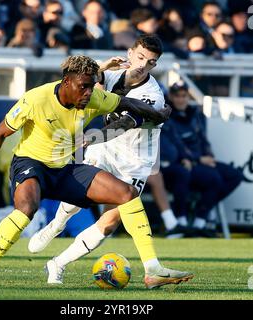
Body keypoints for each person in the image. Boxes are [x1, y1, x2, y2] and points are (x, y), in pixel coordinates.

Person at [0, 55, 185, 288]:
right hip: (31, 164)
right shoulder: (36, 98)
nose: (88, 93)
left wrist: (158, 115)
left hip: (64, 168)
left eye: (92, 86)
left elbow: (129, 104)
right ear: (66, 82)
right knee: (26, 209)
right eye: (83, 87)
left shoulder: (94, 97)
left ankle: (152, 269)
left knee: (127, 194)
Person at [28, 35, 194, 288]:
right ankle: (57, 225)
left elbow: (127, 123)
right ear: (129, 53)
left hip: (135, 161)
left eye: (150, 62)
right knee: (78, 195)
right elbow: (74, 76)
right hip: (106, 150)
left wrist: (93, 137)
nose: (142, 65)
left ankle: (57, 263)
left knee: (110, 222)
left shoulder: (153, 95)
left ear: (154, 65)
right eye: (139, 57)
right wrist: (102, 67)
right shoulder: (114, 75)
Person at [151, 80, 243, 237]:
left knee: (233, 175)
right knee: (204, 176)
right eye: (177, 96)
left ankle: (201, 218)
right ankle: (182, 222)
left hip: (197, 161)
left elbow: (203, 139)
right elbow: (173, 145)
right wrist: (196, 159)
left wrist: (209, 156)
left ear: (188, 97)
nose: (181, 99)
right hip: (180, 163)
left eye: (184, 96)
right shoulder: (165, 116)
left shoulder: (196, 115)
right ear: (170, 97)